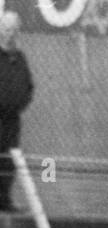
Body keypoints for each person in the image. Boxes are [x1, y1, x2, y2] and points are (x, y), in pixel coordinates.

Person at [0, 10, 34, 213]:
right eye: (6, 29)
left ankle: (4, 201)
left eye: (14, 29)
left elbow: (28, 86)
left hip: (12, 121)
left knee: (9, 163)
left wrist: (21, 102)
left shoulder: (19, 57)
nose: (10, 33)